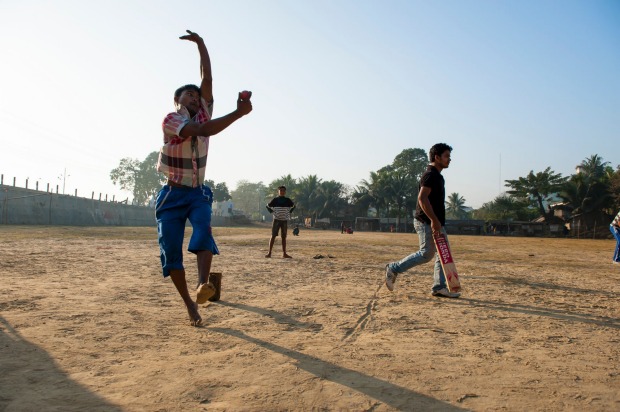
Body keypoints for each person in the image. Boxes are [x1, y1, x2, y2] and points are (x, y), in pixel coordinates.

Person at [155, 30, 253, 327]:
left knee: (203, 233)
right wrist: (237, 114)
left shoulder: (203, 114)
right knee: (171, 253)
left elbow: (207, 79)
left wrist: (202, 45)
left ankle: (202, 286)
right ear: (178, 100)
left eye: (197, 96)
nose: (196, 97)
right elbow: (202, 132)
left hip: (197, 193)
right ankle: (189, 305)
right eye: (189, 94)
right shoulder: (173, 120)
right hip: (172, 195)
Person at [384, 143, 461, 298]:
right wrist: (433, 220)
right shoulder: (430, 175)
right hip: (426, 221)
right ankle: (393, 268)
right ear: (437, 157)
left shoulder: (438, 176)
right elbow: (422, 198)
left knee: (442, 253)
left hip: (435, 221)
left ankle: (439, 287)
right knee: (426, 254)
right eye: (446, 156)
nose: (449, 159)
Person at [265, 186, 296, 258]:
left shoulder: (288, 200)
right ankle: (269, 253)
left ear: (285, 192)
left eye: (283, 191)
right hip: (276, 220)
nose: (282, 192)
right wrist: (271, 211)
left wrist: (290, 211)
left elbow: (294, 206)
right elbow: (267, 206)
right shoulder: (275, 200)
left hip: (284, 220)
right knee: (273, 236)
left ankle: (284, 253)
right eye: (280, 190)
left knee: (284, 237)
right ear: (278, 192)